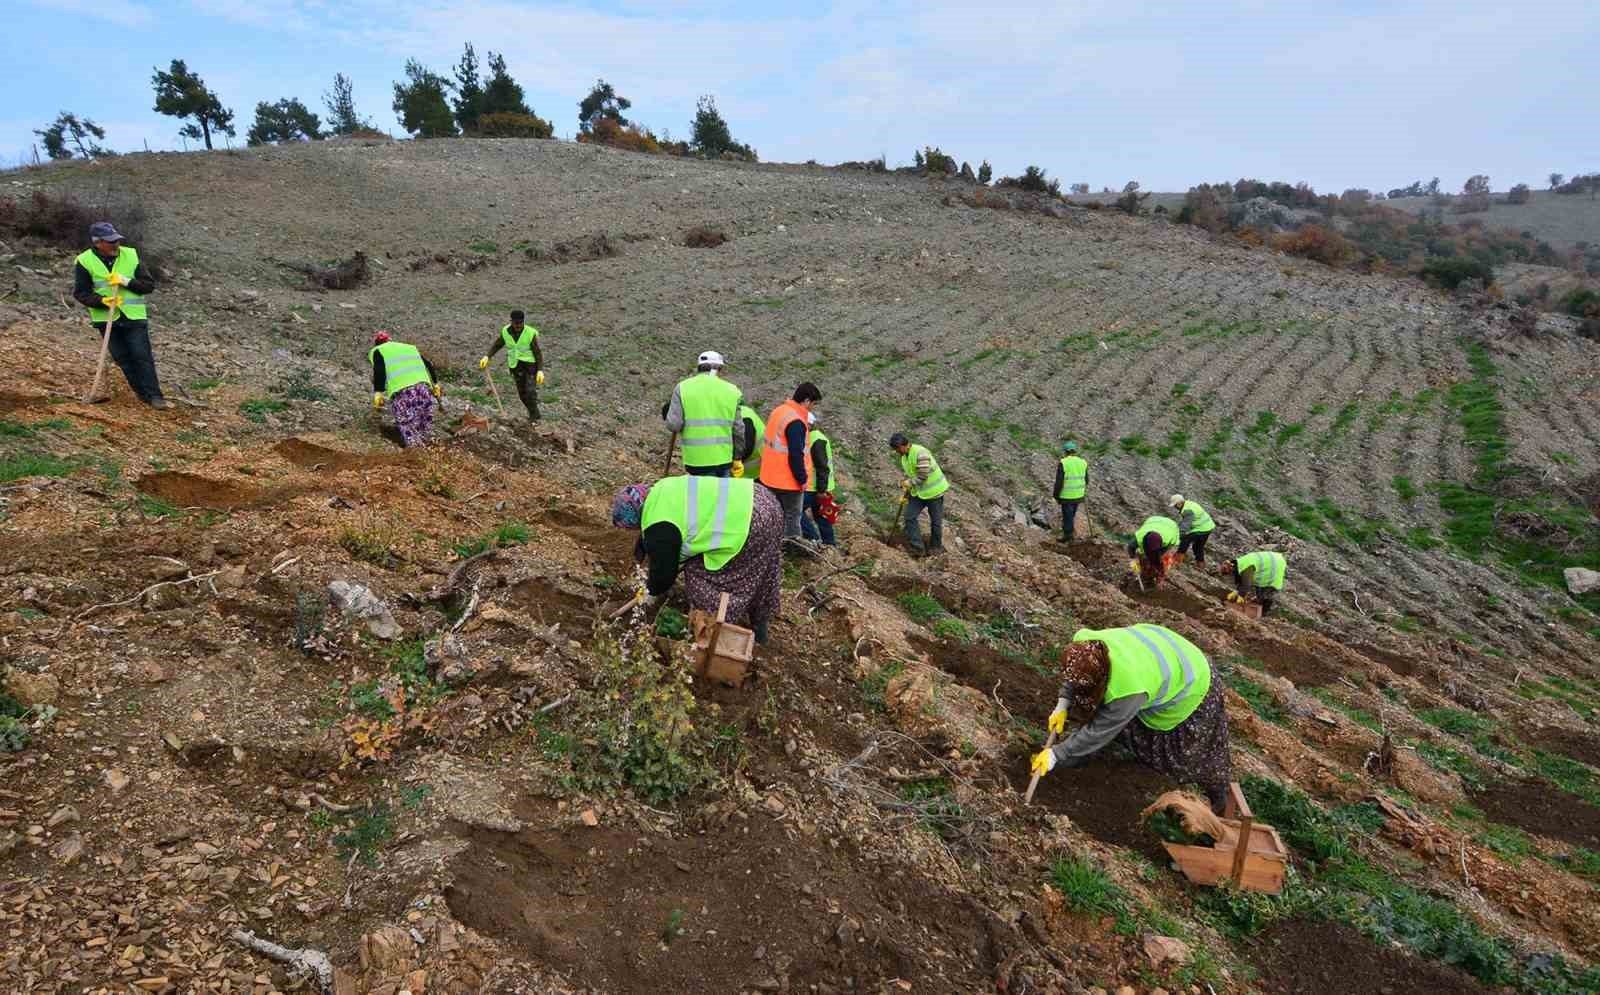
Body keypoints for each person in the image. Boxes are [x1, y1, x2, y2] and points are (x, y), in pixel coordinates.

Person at [1030, 624, 1233, 813]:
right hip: (1162, 650)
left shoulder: (1129, 689)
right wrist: (1063, 703)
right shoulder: (1087, 646)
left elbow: (1102, 729)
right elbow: (1074, 677)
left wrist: (1057, 754)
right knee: (1112, 716)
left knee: (1184, 756)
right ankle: (1083, 752)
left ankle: (1217, 794)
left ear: (1102, 676)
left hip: (1193, 679)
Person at [610, 476, 781, 644]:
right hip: (761, 499)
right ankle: (760, 624)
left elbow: (664, 574)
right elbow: (665, 529)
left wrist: (652, 591)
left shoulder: (659, 528)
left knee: (700, 572)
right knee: (761, 568)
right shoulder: (660, 490)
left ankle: (711, 627)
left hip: (749, 522)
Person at [71, 221, 168, 408]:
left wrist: (125, 281)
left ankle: (155, 396)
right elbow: (81, 293)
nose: (116, 244)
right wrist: (101, 301)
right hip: (106, 319)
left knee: (141, 355)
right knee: (123, 358)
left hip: (133, 317)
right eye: (110, 241)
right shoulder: (84, 261)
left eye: (116, 240)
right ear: (97, 243)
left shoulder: (130, 255)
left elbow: (148, 286)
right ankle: (142, 395)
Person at [664, 350, 744, 477]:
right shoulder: (732, 390)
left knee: (699, 496)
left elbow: (674, 425)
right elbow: (739, 430)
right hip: (724, 460)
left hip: (696, 461)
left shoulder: (682, 388)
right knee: (722, 496)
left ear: (699, 367)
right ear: (719, 368)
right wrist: (737, 457)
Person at [759, 383, 823, 539]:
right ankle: (790, 547)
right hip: (788, 481)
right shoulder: (796, 421)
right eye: (813, 404)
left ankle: (768, 542)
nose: (812, 408)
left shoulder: (779, 411)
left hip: (768, 476)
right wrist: (802, 479)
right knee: (792, 516)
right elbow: (796, 455)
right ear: (806, 401)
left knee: (771, 513)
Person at [368, 331, 441, 447]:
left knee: (407, 425)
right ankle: (430, 453)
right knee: (423, 425)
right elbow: (428, 364)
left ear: (377, 344)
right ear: (390, 340)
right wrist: (436, 384)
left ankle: (416, 455)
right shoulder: (408, 348)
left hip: (403, 394)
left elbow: (379, 370)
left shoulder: (378, 351)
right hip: (424, 390)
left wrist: (378, 392)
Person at [479, 309, 544, 421]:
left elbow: (538, 353)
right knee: (522, 395)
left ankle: (535, 417)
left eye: (520, 323)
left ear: (523, 321)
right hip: (516, 367)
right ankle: (533, 414)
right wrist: (487, 356)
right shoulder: (506, 331)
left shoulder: (530, 333)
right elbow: (497, 345)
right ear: (511, 321)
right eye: (515, 323)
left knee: (530, 392)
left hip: (530, 367)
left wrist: (540, 370)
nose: (518, 325)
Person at [890, 432, 948, 555]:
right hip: (919, 493)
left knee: (936, 522)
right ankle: (917, 547)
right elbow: (911, 474)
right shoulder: (904, 456)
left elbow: (922, 476)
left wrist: (907, 483)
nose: (896, 452)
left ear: (904, 445)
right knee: (909, 517)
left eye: (897, 449)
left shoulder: (921, 453)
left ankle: (936, 547)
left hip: (934, 493)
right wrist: (907, 488)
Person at [800, 412, 837, 547]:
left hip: (814, 487)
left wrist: (821, 490)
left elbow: (822, 467)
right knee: (822, 516)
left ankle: (814, 539)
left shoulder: (816, 440)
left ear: (808, 424)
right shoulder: (813, 437)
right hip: (819, 487)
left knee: (794, 511)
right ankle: (829, 545)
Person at [1222, 551, 1287, 616]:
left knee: (1264, 596)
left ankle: (1262, 615)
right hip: (1270, 562)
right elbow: (1241, 579)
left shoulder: (1246, 568)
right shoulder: (1240, 564)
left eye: (1230, 573)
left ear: (1231, 568)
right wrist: (1237, 591)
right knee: (1258, 596)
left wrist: (1241, 595)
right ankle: (1258, 611)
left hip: (1274, 567)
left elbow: (1246, 584)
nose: (1231, 575)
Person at [1127, 514, 1180, 586]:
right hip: (1153, 521)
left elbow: (1160, 556)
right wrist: (1134, 563)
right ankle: (1145, 574)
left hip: (1172, 526)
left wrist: (1159, 567)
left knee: (1159, 561)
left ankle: (1156, 578)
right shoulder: (1139, 538)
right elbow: (1130, 548)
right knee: (1143, 556)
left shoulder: (1168, 540)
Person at [1054, 441, 1088, 542]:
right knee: (1071, 515)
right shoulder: (1083, 462)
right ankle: (1069, 533)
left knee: (1067, 516)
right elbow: (1087, 480)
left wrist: (1056, 495)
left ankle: (1068, 536)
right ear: (1075, 451)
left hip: (1067, 496)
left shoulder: (1063, 463)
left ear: (1065, 452)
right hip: (1079, 495)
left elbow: (1059, 482)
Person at [1170, 494, 1215, 564]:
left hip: (1201, 528)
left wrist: (1176, 537)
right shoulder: (1189, 504)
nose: (1175, 507)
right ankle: (1200, 564)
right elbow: (1185, 522)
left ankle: (1177, 560)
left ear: (1179, 503)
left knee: (1185, 540)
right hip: (1208, 526)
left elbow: (1185, 526)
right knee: (1198, 547)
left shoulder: (1187, 510)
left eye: (1175, 505)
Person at [734, 402, 765, 481]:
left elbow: (746, 449)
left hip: (754, 473)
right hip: (748, 472)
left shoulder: (744, 418)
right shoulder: (742, 412)